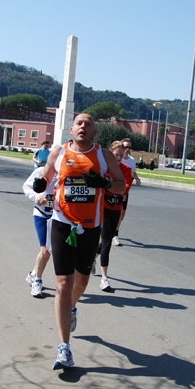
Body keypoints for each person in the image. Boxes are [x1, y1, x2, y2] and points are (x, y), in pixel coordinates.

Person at [33, 113, 125, 370]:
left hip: (91, 227)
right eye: (79, 123)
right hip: (62, 224)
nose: (83, 126)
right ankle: (64, 348)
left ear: (94, 131)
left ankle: (72, 307)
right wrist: (41, 184)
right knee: (63, 282)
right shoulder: (58, 153)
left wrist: (104, 184)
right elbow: (44, 178)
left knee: (81, 282)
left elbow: (121, 186)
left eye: (88, 124)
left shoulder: (104, 156)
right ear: (71, 129)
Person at [93, 141, 133, 291]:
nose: (119, 157)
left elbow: (125, 188)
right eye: (116, 154)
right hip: (102, 206)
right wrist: (112, 187)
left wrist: (114, 189)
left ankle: (91, 260)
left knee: (107, 239)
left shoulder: (126, 169)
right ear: (110, 154)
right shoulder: (104, 169)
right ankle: (104, 278)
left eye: (121, 155)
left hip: (115, 207)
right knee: (106, 242)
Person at [22, 166, 56, 298]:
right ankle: (37, 280)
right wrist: (36, 197)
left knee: (51, 251)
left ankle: (33, 274)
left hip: (58, 216)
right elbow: (26, 186)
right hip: (41, 214)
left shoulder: (67, 172)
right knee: (45, 250)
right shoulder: (42, 170)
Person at [112, 137, 141, 246]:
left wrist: (137, 179)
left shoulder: (131, 161)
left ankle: (114, 233)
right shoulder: (115, 158)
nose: (127, 149)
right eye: (125, 147)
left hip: (124, 191)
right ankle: (112, 234)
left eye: (129, 147)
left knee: (121, 214)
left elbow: (132, 174)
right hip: (112, 189)